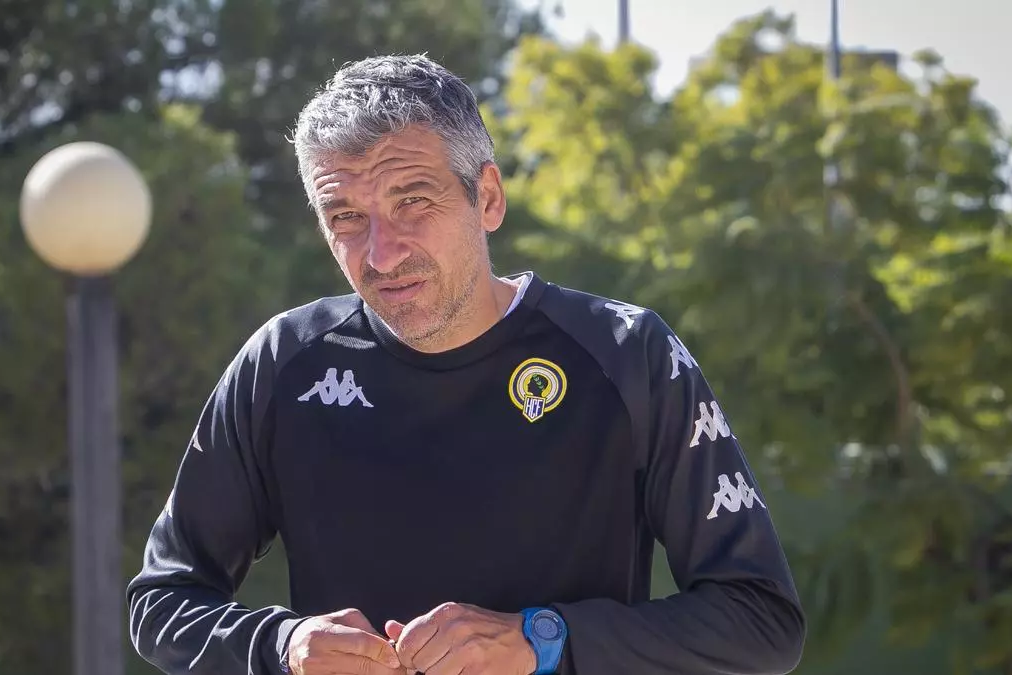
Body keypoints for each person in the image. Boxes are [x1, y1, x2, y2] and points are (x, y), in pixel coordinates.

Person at [127, 54, 806, 675]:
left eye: (412, 202)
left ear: (488, 198)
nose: (381, 253)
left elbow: (761, 620)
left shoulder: (629, 353)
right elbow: (162, 599)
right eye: (346, 217)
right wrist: (281, 645)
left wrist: (543, 639)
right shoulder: (283, 363)